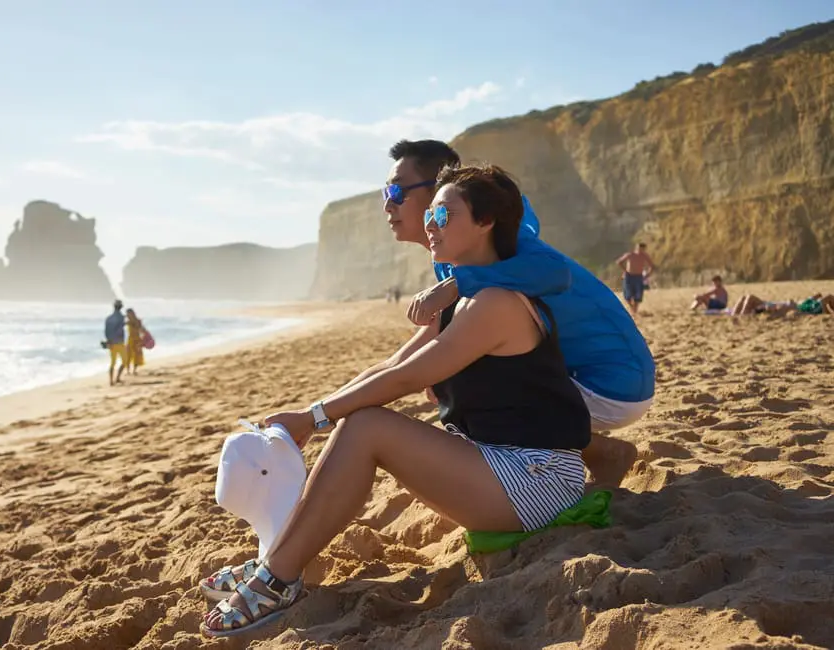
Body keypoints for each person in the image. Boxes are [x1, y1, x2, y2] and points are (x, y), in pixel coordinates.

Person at [200, 164, 592, 638]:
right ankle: (277, 560)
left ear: (487, 222)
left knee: (366, 427)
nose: (431, 224)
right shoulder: (466, 299)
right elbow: (389, 368)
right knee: (362, 423)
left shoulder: (497, 302)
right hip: (504, 464)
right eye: (430, 214)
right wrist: (312, 413)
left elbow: (410, 377)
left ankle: (277, 577)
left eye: (444, 215)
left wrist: (315, 417)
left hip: (539, 478)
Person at [392, 141, 653, 485]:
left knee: (466, 371)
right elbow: (408, 358)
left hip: (613, 381)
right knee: (448, 371)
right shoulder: (455, 255)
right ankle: (590, 453)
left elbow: (554, 272)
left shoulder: (506, 237)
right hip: (582, 378)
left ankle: (581, 460)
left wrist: (457, 285)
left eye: (396, 190)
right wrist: (327, 409)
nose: (387, 204)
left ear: (435, 192)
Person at [616, 243, 656, 315]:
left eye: (642, 249)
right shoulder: (630, 255)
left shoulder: (644, 256)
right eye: (638, 248)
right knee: (627, 295)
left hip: (639, 276)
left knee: (638, 295)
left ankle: (635, 311)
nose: (640, 250)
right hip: (629, 276)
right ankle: (632, 308)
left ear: (644, 249)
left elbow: (652, 266)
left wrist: (647, 275)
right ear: (636, 248)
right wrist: (625, 270)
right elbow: (619, 262)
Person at [104, 300, 126, 386]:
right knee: (124, 361)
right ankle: (117, 378)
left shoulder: (108, 318)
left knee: (112, 362)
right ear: (121, 307)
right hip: (120, 342)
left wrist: (109, 340)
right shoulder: (122, 317)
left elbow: (106, 331)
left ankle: (111, 381)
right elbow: (121, 327)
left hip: (111, 343)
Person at [124, 308, 146, 375]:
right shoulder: (128, 322)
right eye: (127, 314)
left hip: (137, 339)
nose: (127, 315)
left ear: (132, 313)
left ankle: (134, 370)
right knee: (128, 355)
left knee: (137, 355)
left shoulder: (137, 321)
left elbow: (142, 329)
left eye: (128, 313)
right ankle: (128, 370)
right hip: (130, 339)